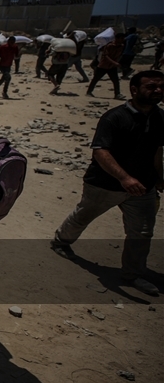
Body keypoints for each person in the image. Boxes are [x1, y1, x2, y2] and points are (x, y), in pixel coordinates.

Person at [51, 70, 163, 297]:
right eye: (151, 87)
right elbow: (101, 151)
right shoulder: (115, 117)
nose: (158, 91)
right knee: (83, 215)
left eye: (161, 87)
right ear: (134, 89)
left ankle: (133, 273)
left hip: (143, 188)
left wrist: (159, 177)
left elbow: (157, 150)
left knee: (142, 232)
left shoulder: (159, 117)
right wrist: (124, 178)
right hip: (104, 185)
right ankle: (61, 241)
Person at [86, 31, 127, 100]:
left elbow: (119, 55)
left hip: (112, 67)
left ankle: (117, 94)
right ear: (117, 38)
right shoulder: (109, 45)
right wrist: (114, 63)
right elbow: (105, 56)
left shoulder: (121, 46)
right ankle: (89, 92)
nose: (122, 40)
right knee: (96, 79)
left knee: (115, 80)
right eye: (121, 38)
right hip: (103, 66)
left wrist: (117, 63)